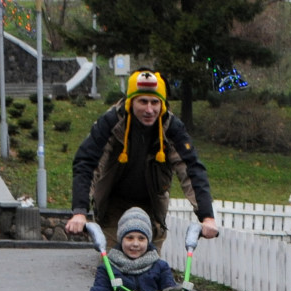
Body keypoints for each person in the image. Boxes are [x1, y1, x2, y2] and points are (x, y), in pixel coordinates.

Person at [65, 69, 219, 249]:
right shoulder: (111, 123)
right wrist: (80, 212)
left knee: (152, 269)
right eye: (143, 101)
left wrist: (207, 217)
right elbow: (87, 163)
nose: (149, 110)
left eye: (155, 102)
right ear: (130, 102)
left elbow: (191, 170)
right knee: (114, 264)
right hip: (114, 204)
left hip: (151, 207)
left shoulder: (171, 128)